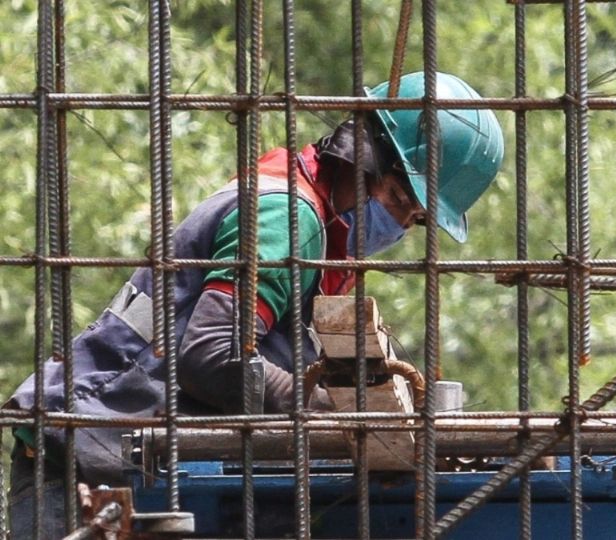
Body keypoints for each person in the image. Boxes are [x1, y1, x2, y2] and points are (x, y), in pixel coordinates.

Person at [5, 71, 504, 538]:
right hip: (86, 458)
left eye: (414, 218)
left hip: (122, 458)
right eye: (398, 198)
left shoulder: (321, 239)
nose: (397, 224)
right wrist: (337, 406)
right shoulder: (288, 216)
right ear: (362, 155)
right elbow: (214, 355)